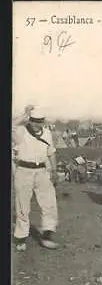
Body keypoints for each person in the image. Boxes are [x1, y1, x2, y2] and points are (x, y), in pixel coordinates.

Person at [12, 107, 60, 251]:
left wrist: (55, 170)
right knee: (22, 205)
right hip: (24, 171)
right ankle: (21, 238)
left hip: (42, 171)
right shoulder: (21, 132)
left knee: (49, 203)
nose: (35, 124)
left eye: (39, 121)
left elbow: (51, 153)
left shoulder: (47, 133)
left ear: (43, 121)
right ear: (29, 120)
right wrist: (25, 114)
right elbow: (11, 125)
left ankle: (47, 236)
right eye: (33, 121)